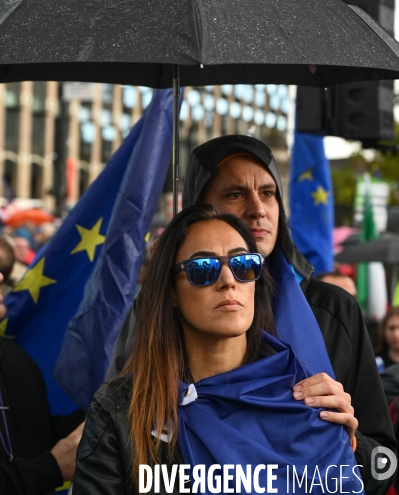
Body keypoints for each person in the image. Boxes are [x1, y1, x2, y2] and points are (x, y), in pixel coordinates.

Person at [108, 134, 396, 494]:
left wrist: (348, 444)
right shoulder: (155, 312)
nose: (257, 209)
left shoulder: (334, 311)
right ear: (200, 209)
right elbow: (121, 437)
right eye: (235, 194)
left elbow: (386, 464)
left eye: (268, 193)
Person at [73, 206, 364, 494]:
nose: (228, 281)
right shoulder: (121, 408)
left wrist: (349, 444)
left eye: (243, 265)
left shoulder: (306, 397)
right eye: (203, 269)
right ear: (171, 292)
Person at [0, 237, 84, 495]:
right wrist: (51, 467)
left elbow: (38, 435)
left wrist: (106, 415)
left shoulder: (14, 358)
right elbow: (49, 460)